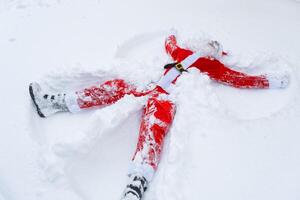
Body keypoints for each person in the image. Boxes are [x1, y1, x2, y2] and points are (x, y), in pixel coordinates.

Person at [29, 34, 289, 200]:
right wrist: (174, 35)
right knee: (113, 87)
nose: (209, 45)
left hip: (166, 96)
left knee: (154, 128)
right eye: (208, 42)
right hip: (147, 84)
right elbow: (170, 43)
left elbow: (240, 79)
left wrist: (272, 81)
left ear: (217, 52)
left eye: (214, 45)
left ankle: (136, 184)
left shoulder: (213, 66)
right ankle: (57, 102)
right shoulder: (184, 54)